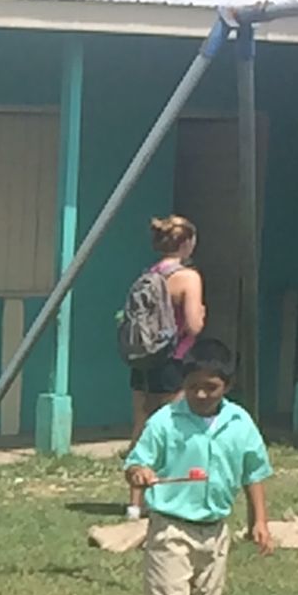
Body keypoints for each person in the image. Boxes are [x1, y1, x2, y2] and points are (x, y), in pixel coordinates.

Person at [121, 338, 274, 595]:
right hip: (171, 527)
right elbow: (137, 462)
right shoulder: (167, 420)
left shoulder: (239, 423)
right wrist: (139, 474)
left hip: (214, 529)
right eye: (193, 387)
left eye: (211, 387)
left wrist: (260, 520)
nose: (201, 395)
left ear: (228, 385)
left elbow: (254, 472)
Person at [124, 216, 205, 518]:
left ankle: (135, 502)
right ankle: (168, 497)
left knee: (142, 427)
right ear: (186, 243)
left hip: (144, 358)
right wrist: (201, 317)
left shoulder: (148, 274)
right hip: (174, 360)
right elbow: (194, 324)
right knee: (173, 428)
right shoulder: (188, 278)